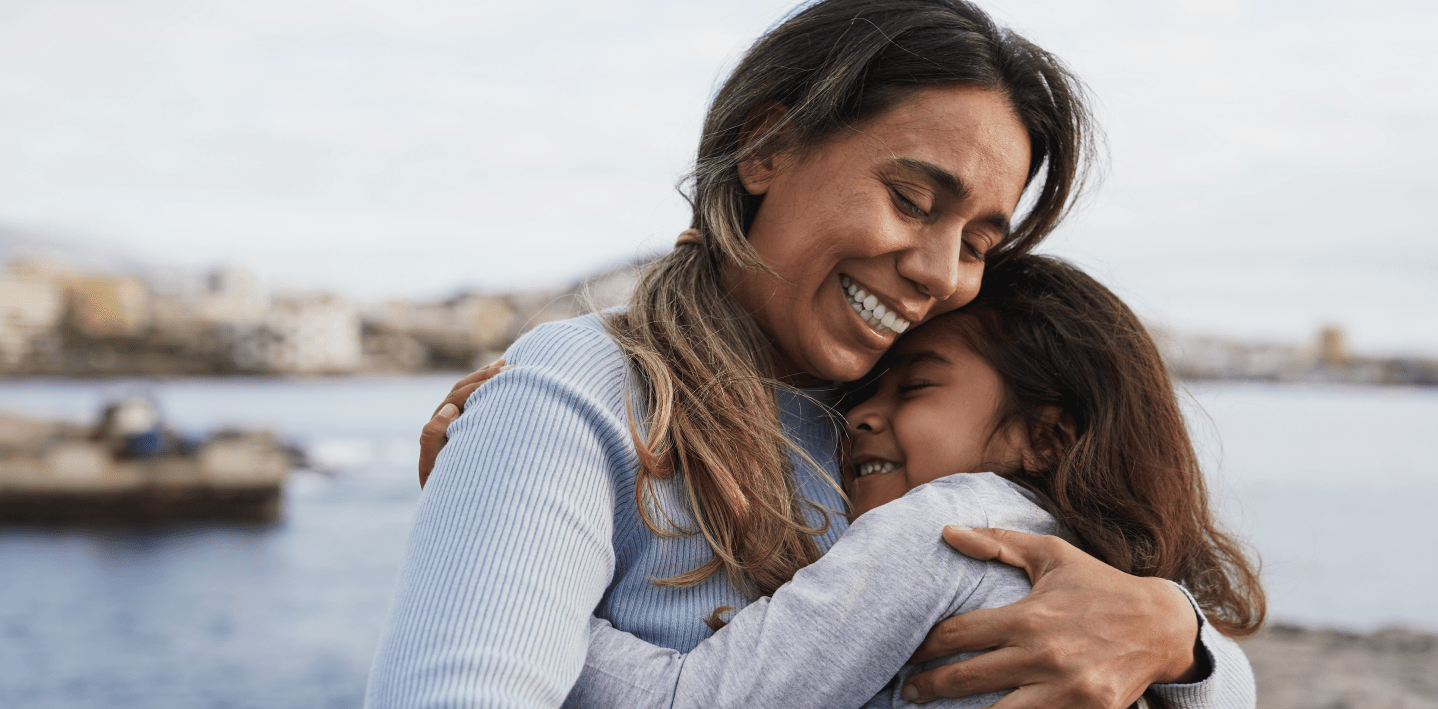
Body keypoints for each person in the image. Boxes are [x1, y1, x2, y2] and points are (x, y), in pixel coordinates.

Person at [367, 1, 1256, 706]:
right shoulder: (587, 390)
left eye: (980, 242)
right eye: (912, 198)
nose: (939, 273)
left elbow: (1197, 662)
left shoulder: (896, 425)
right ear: (768, 146)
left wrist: (1178, 635)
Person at [430, 255, 1266, 708]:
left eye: (916, 386)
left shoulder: (948, 528)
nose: (860, 416)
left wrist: (499, 536)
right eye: (864, 392)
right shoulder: (1073, 558)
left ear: (1043, 435)